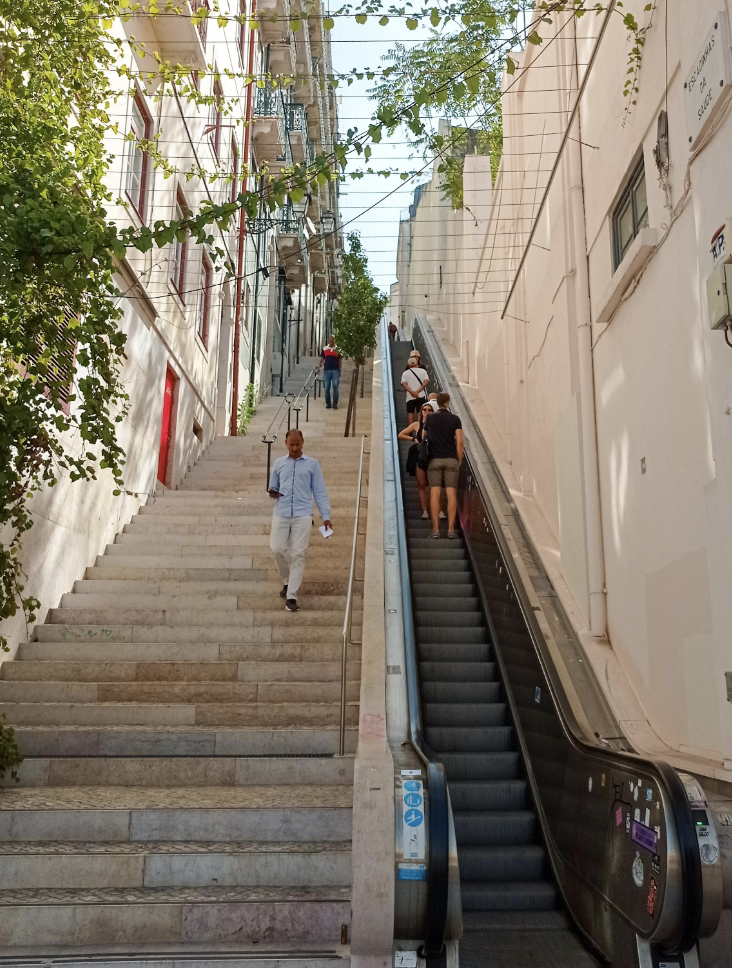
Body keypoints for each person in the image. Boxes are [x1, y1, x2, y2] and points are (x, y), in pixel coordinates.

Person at [268, 429, 332, 612]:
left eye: (298, 444)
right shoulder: (279, 463)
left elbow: (319, 491)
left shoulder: (312, 464)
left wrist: (325, 516)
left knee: (298, 554)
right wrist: (272, 492)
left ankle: (292, 596)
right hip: (281, 511)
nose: (295, 448)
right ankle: (287, 581)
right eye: (291, 444)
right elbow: (273, 486)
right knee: (277, 549)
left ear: (303, 442)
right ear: (285, 443)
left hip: (303, 514)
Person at [426, 392, 463, 539]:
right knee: (451, 493)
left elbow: (424, 437)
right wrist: (458, 460)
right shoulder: (455, 419)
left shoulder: (430, 418)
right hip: (451, 459)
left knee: (435, 493)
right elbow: (460, 442)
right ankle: (451, 530)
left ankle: (435, 530)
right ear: (448, 402)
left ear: (437, 403)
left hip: (434, 459)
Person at [398, 402, 433, 518]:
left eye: (429, 410)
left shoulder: (435, 424)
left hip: (432, 457)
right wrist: (413, 438)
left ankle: (438, 511)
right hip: (420, 456)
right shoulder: (416, 424)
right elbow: (401, 434)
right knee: (421, 484)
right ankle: (425, 511)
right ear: (421, 412)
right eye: (425, 410)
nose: (427, 412)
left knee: (434, 484)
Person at [319, 335, 342, 410]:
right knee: (327, 387)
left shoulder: (338, 349)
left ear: (334, 341)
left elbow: (340, 360)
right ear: (328, 341)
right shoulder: (324, 349)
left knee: (335, 386)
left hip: (335, 370)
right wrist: (319, 367)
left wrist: (340, 370)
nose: (331, 343)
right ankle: (328, 403)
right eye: (330, 341)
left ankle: (335, 403)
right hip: (327, 371)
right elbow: (322, 359)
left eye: (333, 342)